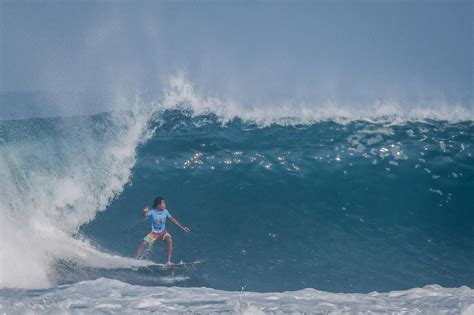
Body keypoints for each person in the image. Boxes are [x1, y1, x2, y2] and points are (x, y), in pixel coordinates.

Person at [134, 197, 190, 264]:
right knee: (143, 243)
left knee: (169, 239)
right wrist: (145, 211)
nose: (165, 205)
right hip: (153, 233)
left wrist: (182, 227)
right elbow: (145, 215)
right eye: (163, 204)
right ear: (158, 205)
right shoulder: (152, 212)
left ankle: (168, 261)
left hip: (163, 232)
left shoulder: (165, 211)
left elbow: (172, 219)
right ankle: (135, 259)